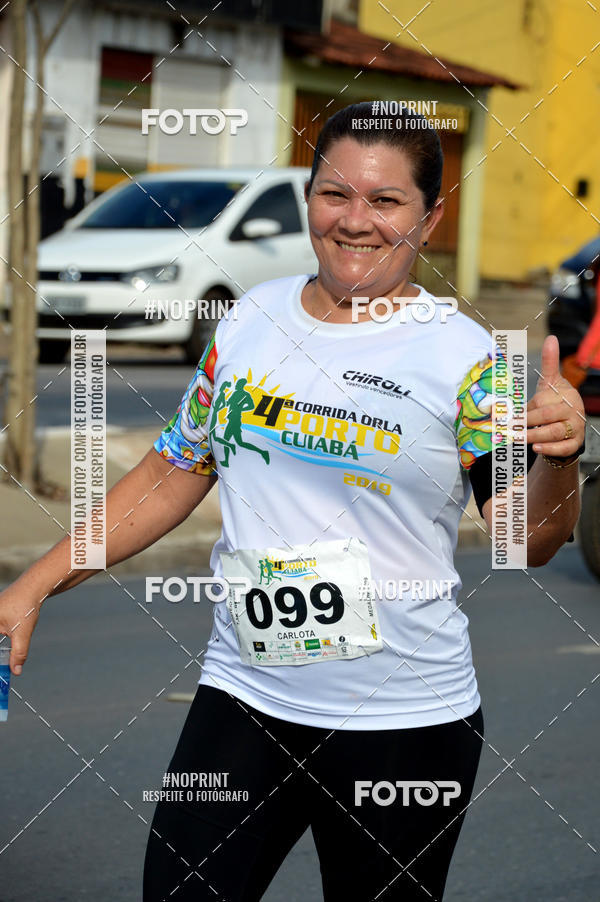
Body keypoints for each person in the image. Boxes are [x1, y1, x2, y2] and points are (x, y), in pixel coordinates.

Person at [0, 102, 586, 901]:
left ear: (431, 215)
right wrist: (31, 588)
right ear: (306, 197)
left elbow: (531, 538)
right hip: (244, 696)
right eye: (334, 194)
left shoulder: (462, 358)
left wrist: (561, 456)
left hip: (403, 729)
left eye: (386, 202)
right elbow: (173, 473)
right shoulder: (251, 319)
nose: (355, 222)